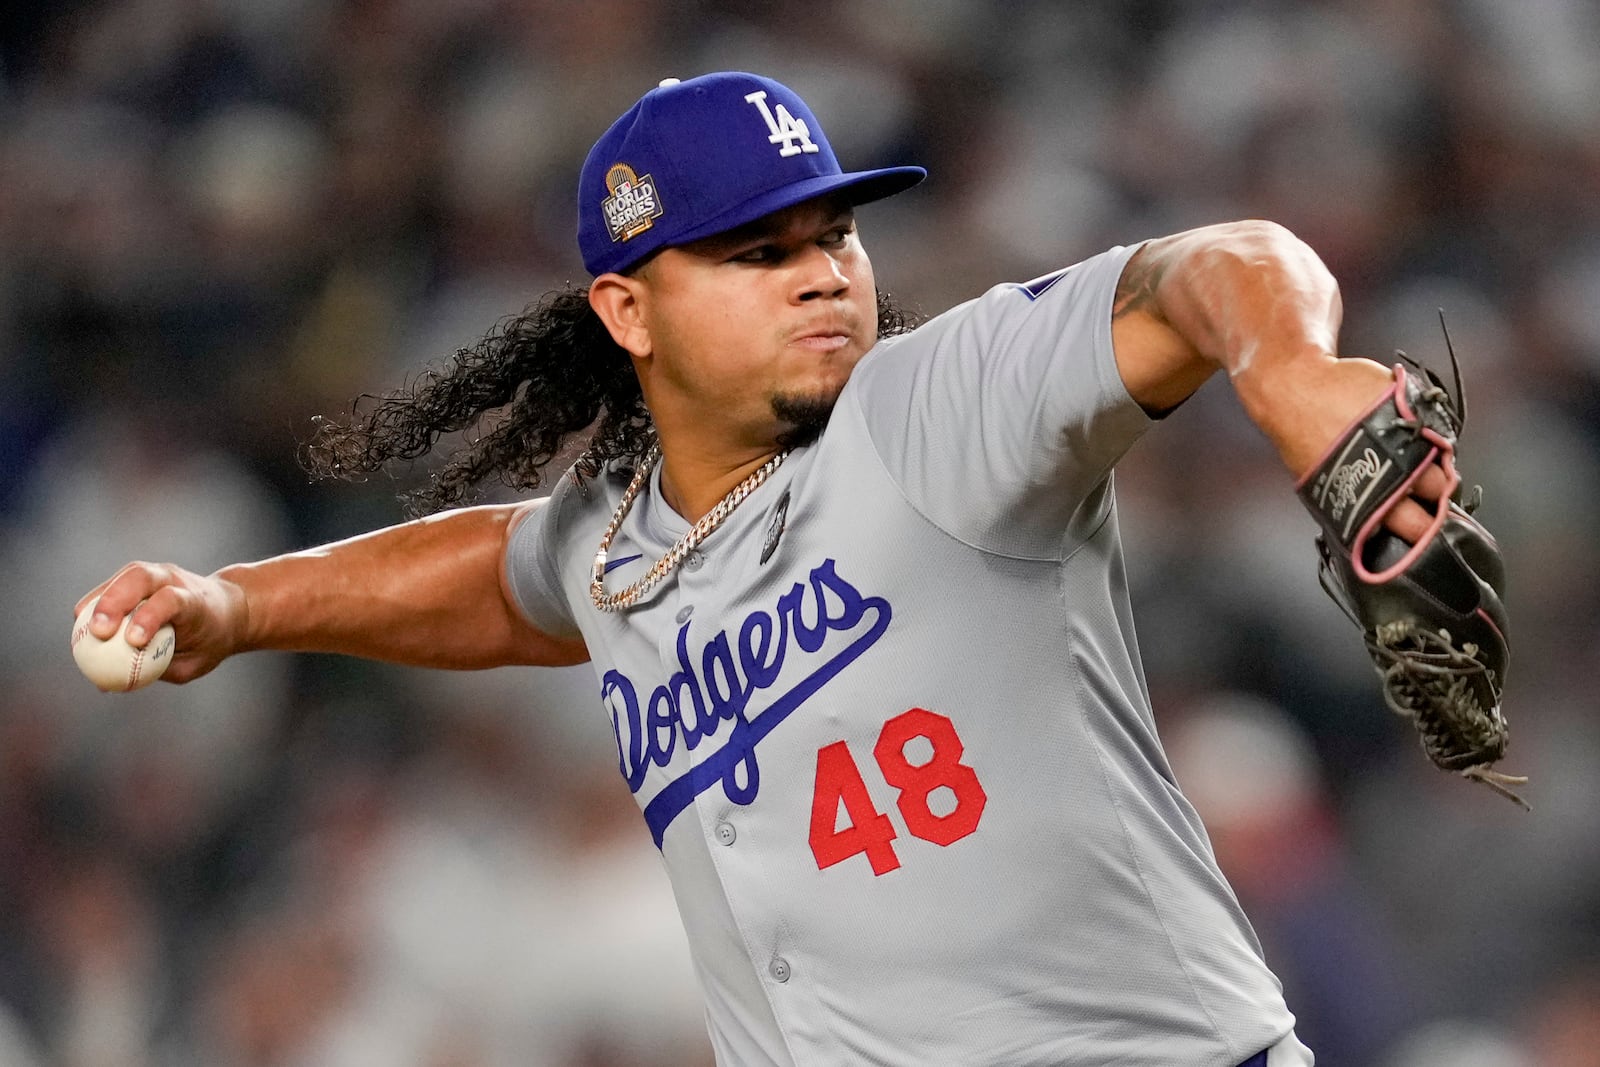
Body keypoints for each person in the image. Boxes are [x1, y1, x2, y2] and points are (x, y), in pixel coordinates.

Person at [76, 71, 1449, 1066]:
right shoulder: (615, 548)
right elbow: (498, 575)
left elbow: (1215, 265)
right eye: (757, 252)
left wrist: (1287, 367)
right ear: (627, 308)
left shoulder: (936, 409)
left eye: (832, 237)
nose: (822, 276)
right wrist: (241, 605)